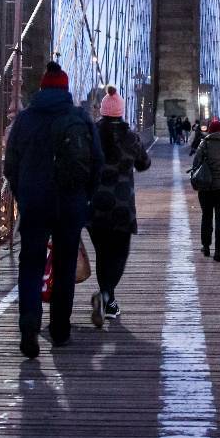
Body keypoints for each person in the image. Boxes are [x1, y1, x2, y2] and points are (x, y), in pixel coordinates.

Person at [4, 61, 103, 358]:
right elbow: (97, 163)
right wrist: (85, 198)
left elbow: (11, 166)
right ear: (66, 89)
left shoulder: (25, 120)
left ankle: (29, 328)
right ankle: (60, 330)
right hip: (70, 204)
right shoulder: (80, 118)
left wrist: (24, 196)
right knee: (64, 265)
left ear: (42, 88)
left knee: (31, 265)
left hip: (35, 203)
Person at [88, 85, 151, 326]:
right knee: (119, 256)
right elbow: (144, 164)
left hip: (94, 207)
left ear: (102, 112)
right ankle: (105, 296)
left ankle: (109, 302)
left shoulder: (91, 133)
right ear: (121, 112)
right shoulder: (130, 137)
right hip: (122, 207)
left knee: (103, 254)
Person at [191, 118, 220, 262]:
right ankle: (218, 251)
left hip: (206, 187)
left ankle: (206, 246)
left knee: (206, 216)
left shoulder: (204, 144)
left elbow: (196, 164)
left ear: (210, 131)